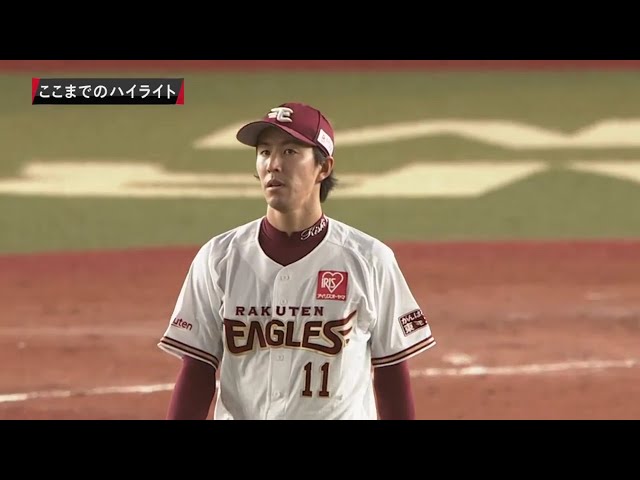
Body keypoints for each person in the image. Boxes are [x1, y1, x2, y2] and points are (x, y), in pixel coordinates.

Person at [157, 102, 436, 420]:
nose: (273, 164)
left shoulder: (370, 260)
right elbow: (197, 369)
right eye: (265, 152)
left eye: (290, 151)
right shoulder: (219, 258)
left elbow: (391, 373)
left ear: (323, 167)